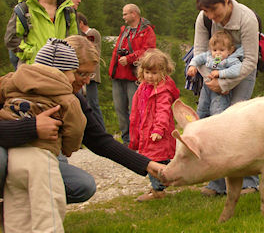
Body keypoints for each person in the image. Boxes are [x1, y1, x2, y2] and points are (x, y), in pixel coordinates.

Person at [0, 35, 162, 211]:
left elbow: (100, 140)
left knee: (82, 185)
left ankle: (14, 212)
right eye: (81, 73)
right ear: (61, 69)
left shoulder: (72, 99)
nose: (86, 80)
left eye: (90, 74)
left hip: (38, 157)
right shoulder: (16, 83)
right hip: (7, 152)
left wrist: (149, 165)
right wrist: (32, 128)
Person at [0, 38, 86, 233]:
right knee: (47, 211)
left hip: (13, 158)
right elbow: (76, 128)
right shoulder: (66, 97)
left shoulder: (13, 81)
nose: (74, 78)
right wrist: (69, 148)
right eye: (73, 72)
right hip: (41, 158)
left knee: (17, 211)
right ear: (63, 72)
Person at [193, 0, 259, 196]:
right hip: (212, 72)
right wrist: (211, 81)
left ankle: (250, 182)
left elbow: (250, 61)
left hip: (242, 72)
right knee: (212, 124)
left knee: (240, 124)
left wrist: (226, 83)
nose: (211, 16)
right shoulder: (203, 19)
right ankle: (217, 183)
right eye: (206, 11)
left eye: (214, 9)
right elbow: (199, 54)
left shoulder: (247, 19)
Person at [4, 0, 78, 66]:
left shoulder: (68, 11)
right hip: (32, 72)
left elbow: (75, 40)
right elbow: (11, 39)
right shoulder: (25, 8)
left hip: (60, 73)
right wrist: (30, 53)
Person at [129, 49, 180, 202]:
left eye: (155, 73)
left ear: (164, 73)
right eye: (147, 72)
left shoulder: (162, 92)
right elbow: (137, 111)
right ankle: (162, 184)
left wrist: (158, 129)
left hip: (157, 134)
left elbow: (163, 112)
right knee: (153, 159)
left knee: (155, 160)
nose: (150, 76)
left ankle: (158, 191)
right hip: (146, 131)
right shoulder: (143, 88)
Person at [109, 4, 156, 145]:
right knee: (120, 109)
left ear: (134, 14)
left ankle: (138, 140)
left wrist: (130, 58)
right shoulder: (125, 31)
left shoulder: (147, 31)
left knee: (136, 110)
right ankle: (126, 140)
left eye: (125, 14)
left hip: (134, 76)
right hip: (118, 75)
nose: (123, 17)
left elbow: (149, 51)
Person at [187, 30, 244, 118]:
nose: (218, 53)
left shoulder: (230, 60)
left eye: (222, 50)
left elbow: (236, 70)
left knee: (217, 109)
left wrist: (220, 73)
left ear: (230, 50)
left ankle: (217, 127)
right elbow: (198, 58)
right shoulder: (209, 56)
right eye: (214, 50)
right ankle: (200, 123)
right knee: (202, 107)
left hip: (221, 89)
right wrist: (193, 65)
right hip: (207, 87)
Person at [77, 12, 105, 129]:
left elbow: (93, 53)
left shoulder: (92, 33)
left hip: (92, 75)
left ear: (81, 23)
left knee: (93, 103)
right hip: (85, 73)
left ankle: (101, 129)